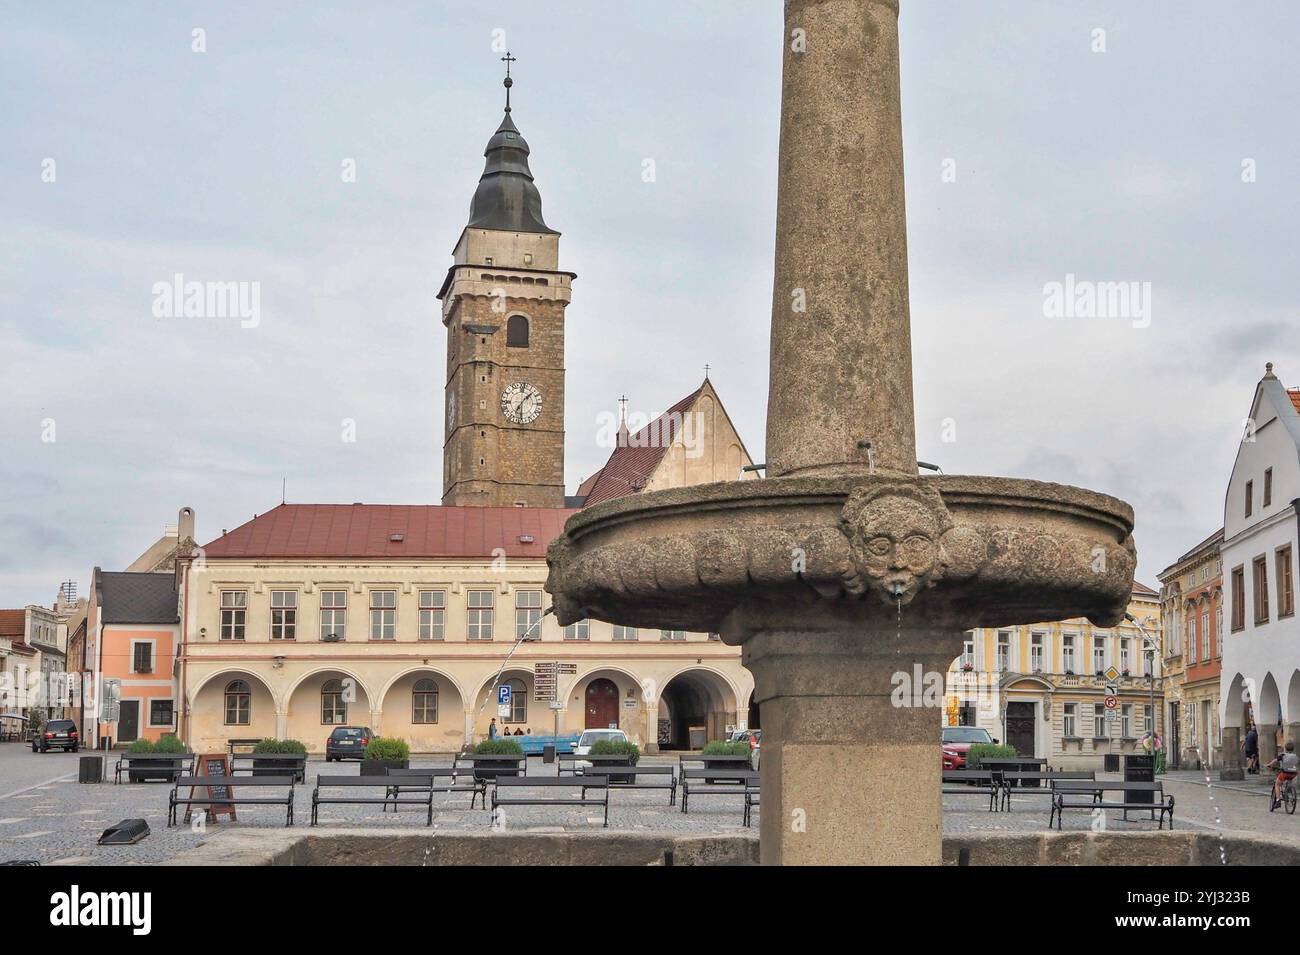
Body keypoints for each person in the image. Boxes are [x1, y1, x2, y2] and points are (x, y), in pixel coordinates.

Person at [1266, 741, 1299, 811]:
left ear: (1285, 749)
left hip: (1285, 773)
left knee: (1277, 784)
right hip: (1294, 773)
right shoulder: (1295, 756)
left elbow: (1275, 760)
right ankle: (1290, 794)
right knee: (1290, 783)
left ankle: (1278, 800)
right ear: (1293, 749)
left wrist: (1269, 765)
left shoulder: (1283, 755)